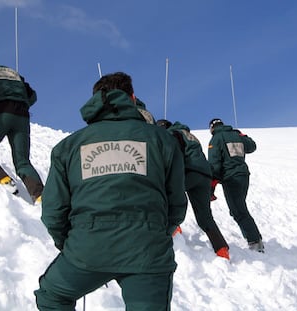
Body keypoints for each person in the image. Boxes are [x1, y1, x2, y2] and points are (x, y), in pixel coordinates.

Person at [34, 72, 187, 311]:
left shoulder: (69, 146)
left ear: (96, 100)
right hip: (147, 250)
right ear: (133, 98)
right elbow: (176, 204)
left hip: (87, 249)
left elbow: (53, 211)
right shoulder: (162, 140)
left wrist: (72, 243)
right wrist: (157, 232)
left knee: (52, 296)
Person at [157, 119, 230, 259]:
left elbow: (174, 154)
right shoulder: (189, 135)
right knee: (205, 216)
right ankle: (222, 250)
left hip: (189, 172)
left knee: (166, 194)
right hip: (205, 176)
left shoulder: (173, 134)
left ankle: (174, 229)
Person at [0, 57, 43, 203]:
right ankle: (40, 196)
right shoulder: (13, 73)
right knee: (23, 161)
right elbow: (33, 96)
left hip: (1, 112)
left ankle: (3, 180)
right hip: (23, 116)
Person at [207, 118, 264, 252]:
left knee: (238, 210)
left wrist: (211, 186)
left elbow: (214, 165)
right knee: (239, 208)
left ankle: (255, 242)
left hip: (231, 178)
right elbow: (252, 146)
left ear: (212, 128)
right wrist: (242, 136)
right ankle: (254, 239)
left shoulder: (216, 139)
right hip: (243, 175)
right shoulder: (236, 135)